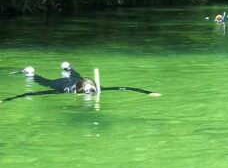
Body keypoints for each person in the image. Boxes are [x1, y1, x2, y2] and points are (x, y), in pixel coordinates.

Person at [1, 62, 160, 104]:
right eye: (86, 94)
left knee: (77, 75)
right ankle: (29, 73)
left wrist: (148, 93)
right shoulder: (64, 91)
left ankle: (69, 68)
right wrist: (8, 99)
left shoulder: (97, 89)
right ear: (78, 93)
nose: (89, 96)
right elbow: (31, 93)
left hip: (79, 81)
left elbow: (126, 88)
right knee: (45, 82)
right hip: (62, 83)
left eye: (90, 93)